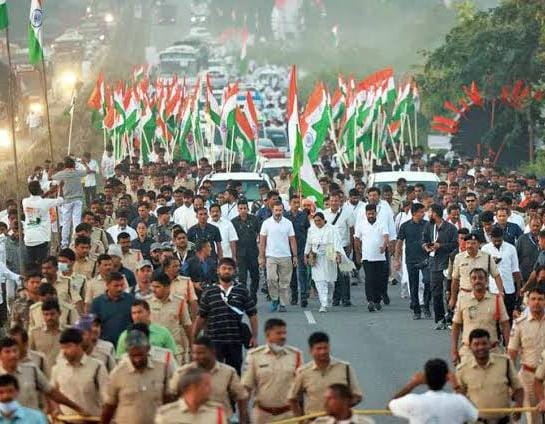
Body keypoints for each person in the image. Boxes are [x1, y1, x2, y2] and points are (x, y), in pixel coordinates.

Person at [193, 258, 258, 374]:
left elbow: (252, 314)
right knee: (213, 373)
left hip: (235, 340)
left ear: (234, 271)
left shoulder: (242, 291)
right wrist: (194, 338)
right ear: (218, 271)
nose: (226, 271)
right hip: (213, 341)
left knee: (234, 373)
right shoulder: (209, 291)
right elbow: (201, 317)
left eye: (229, 269)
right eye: (224, 268)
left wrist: (254, 336)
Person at [169, 336, 249, 423]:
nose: (196, 356)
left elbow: (241, 397)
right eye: (194, 353)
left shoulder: (228, 372)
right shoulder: (182, 372)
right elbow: (171, 396)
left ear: (212, 352)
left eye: (201, 353)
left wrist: (243, 421)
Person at [102, 329, 175, 424]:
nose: (137, 360)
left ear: (148, 349)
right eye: (133, 356)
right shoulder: (118, 373)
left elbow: (168, 400)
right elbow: (109, 406)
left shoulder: (162, 368)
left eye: (140, 355)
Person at [0, 336, 86, 413]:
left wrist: (77, 408)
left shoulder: (31, 370)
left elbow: (51, 392)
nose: (13, 355)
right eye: (7, 352)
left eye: (15, 351)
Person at [242, 318, 302, 424]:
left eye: (284, 333)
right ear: (267, 334)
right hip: (262, 416)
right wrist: (244, 416)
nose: (283, 336)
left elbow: (301, 388)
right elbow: (247, 388)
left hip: (289, 416)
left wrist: (302, 416)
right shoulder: (255, 356)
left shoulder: (295, 355)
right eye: (278, 333)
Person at [456, 328, 523, 423]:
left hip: (503, 421)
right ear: (470, 347)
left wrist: (519, 404)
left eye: (484, 343)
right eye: (476, 344)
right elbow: (459, 398)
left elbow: (518, 388)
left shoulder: (505, 363)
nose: (481, 347)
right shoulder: (462, 369)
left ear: (490, 345)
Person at [288, 332, 363, 416]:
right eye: (319, 349)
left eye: (325, 348)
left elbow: (357, 396)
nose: (323, 352)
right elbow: (293, 398)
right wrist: (300, 420)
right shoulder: (303, 372)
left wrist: (341, 406)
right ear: (311, 351)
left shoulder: (344, 368)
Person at [389, 358, 478, 423]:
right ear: (447, 378)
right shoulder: (459, 401)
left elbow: (390, 408)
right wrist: (455, 385)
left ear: (425, 378)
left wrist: (413, 383)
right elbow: (474, 415)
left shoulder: (413, 401)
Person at [451, 268, 510, 364]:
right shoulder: (463, 300)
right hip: (468, 353)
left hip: (492, 352)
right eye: (474, 278)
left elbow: (505, 324)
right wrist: (454, 351)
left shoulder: (496, 300)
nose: (477, 280)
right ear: (470, 281)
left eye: (481, 278)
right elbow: (456, 326)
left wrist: (509, 348)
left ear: (486, 281)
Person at [50, 327, 109, 417]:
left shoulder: (97, 367)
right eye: (62, 348)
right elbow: (53, 394)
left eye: (68, 346)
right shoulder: (57, 368)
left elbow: (107, 398)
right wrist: (56, 409)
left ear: (79, 345)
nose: (65, 351)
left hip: (91, 420)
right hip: (66, 420)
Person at [508, 284, 545, 424]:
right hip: (528, 377)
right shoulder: (519, 324)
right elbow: (511, 354)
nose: (536, 302)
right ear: (528, 302)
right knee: (534, 419)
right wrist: (511, 382)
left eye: (540, 299)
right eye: (533, 299)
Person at [422, 204, 458, 329]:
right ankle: (440, 318)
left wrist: (440, 246)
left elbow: (455, 245)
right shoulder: (428, 226)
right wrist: (426, 246)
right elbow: (424, 240)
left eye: (429, 212)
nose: (427, 214)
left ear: (435, 213)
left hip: (448, 263)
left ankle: (452, 318)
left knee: (449, 291)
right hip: (434, 262)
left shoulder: (451, 228)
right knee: (436, 292)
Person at [259, 201, 297, 312]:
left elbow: (292, 240)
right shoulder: (266, 223)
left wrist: (294, 256)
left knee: (284, 282)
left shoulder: (288, 223)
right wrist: (261, 257)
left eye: (280, 210)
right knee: (271, 279)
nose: (278, 212)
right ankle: (275, 298)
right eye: (276, 210)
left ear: (283, 211)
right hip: (271, 256)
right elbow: (262, 241)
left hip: (285, 256)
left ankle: (283, 304)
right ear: (272, 210)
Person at [450, 233, 504, 309]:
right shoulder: (459, 258)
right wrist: (453, 298)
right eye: (468, 243)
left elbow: (496, 276)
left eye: (473, 243)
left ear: (479, 244)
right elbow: (455, 280)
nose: (469, 246)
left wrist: (501, 292)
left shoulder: (487, 257)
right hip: (465, 295)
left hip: (483, 296)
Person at [154, 367, 227, 424]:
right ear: (191, 387)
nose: (210, 389)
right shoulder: (167, 414)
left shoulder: (216, 413)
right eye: (206, 385)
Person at [396, 203, 431, 319]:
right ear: (414, 213)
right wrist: (397, 259)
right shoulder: (405, 226)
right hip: (411, 259)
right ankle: (416, 310)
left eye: (424, 212)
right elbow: (399, 243)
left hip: (426, 259)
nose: (423, 214)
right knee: (413, 285)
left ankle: (426, 306)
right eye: (421, 212)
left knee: (427, 282)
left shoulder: (428, 225)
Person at [305, 212, 344, 312]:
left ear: (323, 220)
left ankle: (329, 299)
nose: (317, 222)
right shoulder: (311, 230)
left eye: (319, 220)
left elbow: (337, 242)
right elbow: (308, 243)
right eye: (315, 221)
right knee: (319, 280)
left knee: (330, 281)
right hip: (316, 256)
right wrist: (306, 255)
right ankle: (323, 304)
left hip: (329, 253)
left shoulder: (332, 229)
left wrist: (338, 254)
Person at [147, 276, 192, 363]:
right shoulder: (147, 302)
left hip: (175, 351)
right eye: (153, 286)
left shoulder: (179, 301)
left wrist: (191, 346)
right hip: (154, 351)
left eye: (157, 287)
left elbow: (187, 325)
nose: (154, 290)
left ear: (167, 287)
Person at [354, 204, 389, 312]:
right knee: (369, 279)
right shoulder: (361, 224)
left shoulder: (381, 223)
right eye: (369, 213)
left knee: (378, 280)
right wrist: (358, 253)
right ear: (366, 214)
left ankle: (377, 301)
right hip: (367, 257)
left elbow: (386, 236)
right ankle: (370, 301)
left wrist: (384, 246)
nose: (371, 215)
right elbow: (356, 239)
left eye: (372, 213)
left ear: (376, 213)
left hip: (380, 257)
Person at [482, 226, 522, 319]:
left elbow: (515, 269)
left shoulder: (511, 248)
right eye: (495, 240)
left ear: (502, 237)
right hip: (493, 288)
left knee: (509, 316)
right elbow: (483, 270)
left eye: (499, 240)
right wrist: (492, 263)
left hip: (509, 287)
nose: (497, 242)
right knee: (494, 317)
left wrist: (519, 288)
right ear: (491, 238)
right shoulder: (485, 249)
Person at [22, 180, 64, 267]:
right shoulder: (46, 202)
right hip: (41, 238)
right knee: (42, 265)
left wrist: (49, 192)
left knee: (31, 266)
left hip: (29, 239)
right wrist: (61, 188)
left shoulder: (25, 202)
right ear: (39, 190)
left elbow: (39, 200)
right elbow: (61, 200)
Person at [324, 191, 354, 307]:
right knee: (334, 274)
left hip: (344, 246)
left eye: (336, 200)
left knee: (345, 273)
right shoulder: (324, 213)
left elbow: (351, 229)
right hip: (330, 247)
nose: (334, 203)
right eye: (332, 200)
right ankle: (336, 298)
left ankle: (346, 298)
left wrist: (350, 246)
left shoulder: (347, 213)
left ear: (340, 201)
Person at [52, 157, 90, 248]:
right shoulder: (77, 172)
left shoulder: (62, 174)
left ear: (65, 165)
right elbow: (88, 171)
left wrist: (52, 168)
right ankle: (74, 241)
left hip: (67, 201)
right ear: (73, 165)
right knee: (76, 221)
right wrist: (84, 163)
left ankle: (64, 244)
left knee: (66, 223)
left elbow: (51, 176)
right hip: (77, 200)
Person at [90, 271, 134, 345]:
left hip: (126, 344)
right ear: (107, 285)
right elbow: (93, 325)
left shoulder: (131, 300)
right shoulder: (97, 303)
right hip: (104, 345)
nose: (120, 289)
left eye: (122, 285)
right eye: (116, 286)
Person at [232, 200, 260, 302]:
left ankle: (253, 294)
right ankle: (243, 297)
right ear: (238, 209)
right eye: (241, 209)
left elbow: (260, 233)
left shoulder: (254, 219)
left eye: (245, 208)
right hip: (240, 254)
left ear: (248, 208)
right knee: (242, 277)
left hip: (253, 252)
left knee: (255, 276)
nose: (243, 211)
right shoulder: (234, 222)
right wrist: (234, 255)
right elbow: (233, 240)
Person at [28, 299, 65, 375]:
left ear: (60, 313)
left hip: (63, 377)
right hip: (43, 378)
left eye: (52, 314)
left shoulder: (68, 332)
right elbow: (30, 357)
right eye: (46, 314)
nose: (49, 318)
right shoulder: (34, 333)